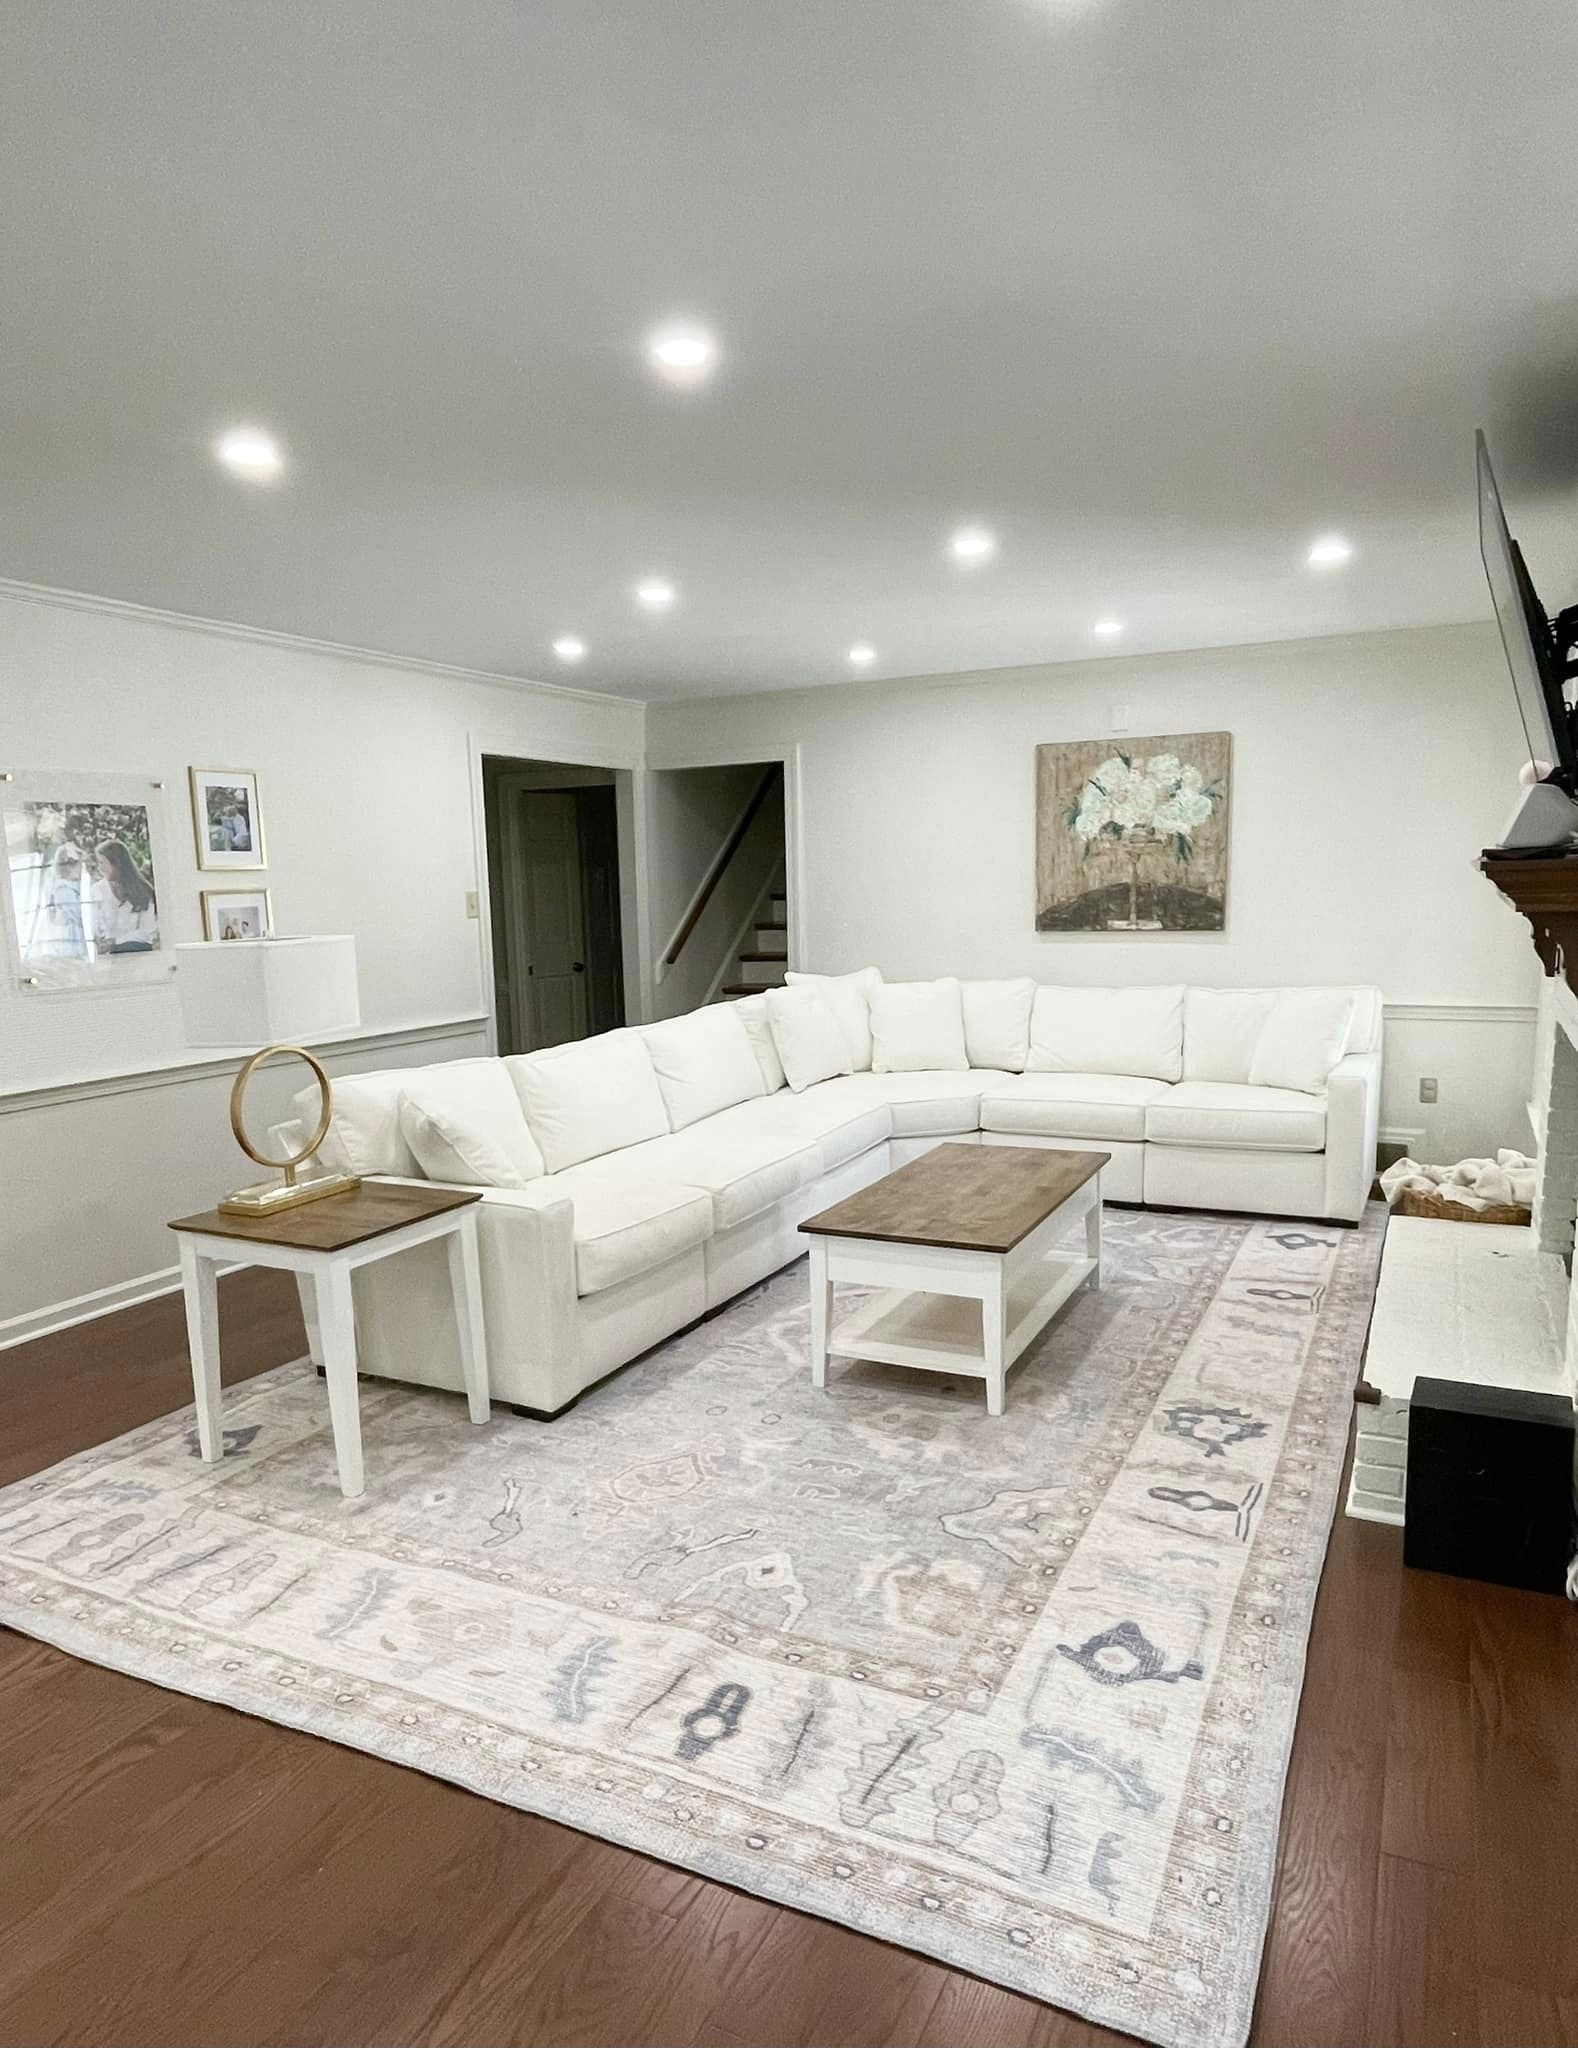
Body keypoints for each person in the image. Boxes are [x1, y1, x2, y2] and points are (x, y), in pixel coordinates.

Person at [89, 838, 159, 954]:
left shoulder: (144, 891)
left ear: (117, 863)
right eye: (99, 863)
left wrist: (115, 942)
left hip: (138, 955)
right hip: (107, 958)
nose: (100, 868)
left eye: (103, 862)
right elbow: (96, 927)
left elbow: (147, 932)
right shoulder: (97, 890)